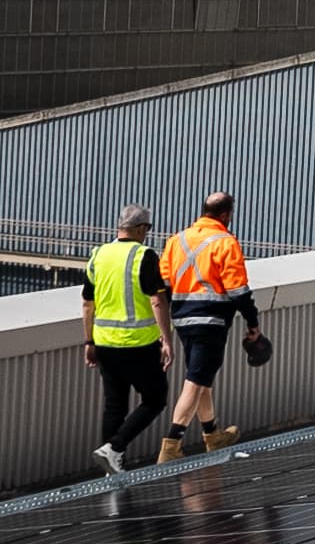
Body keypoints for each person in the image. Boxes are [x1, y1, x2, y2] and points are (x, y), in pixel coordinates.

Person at [159, 190, 263, 461]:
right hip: (212, 321)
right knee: (194, 382)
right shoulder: (225, 242)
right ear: (227, 214)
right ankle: (171, 445)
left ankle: (212, 435)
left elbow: (164, 285)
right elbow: (238, 290)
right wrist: (253, 323)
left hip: (182, 320)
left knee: (202, 377)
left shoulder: (176, 240)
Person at [82, 204, 174, 475]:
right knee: (155, 399)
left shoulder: (98, 254)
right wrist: (167, 340)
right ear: (140, 228)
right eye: (147, 229)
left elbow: (88, 303)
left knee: (115, 404)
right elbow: (157, 300)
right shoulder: (143, 255)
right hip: (138, 343)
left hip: (105, 343)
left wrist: (89, 342)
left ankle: (111, 463)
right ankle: (115, 447)